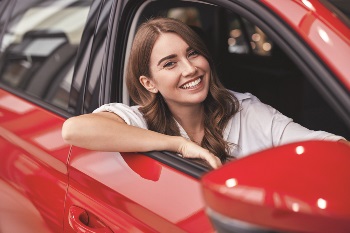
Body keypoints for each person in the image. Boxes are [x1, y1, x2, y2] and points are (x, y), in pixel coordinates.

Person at [62, 17, 348, 169]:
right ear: (149, 83)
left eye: (193, 53)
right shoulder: (137, 120)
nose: (190, 69)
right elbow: (74, 129)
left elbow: (320, 144)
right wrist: (179, 144)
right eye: (170, 63)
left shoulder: (243, 110)